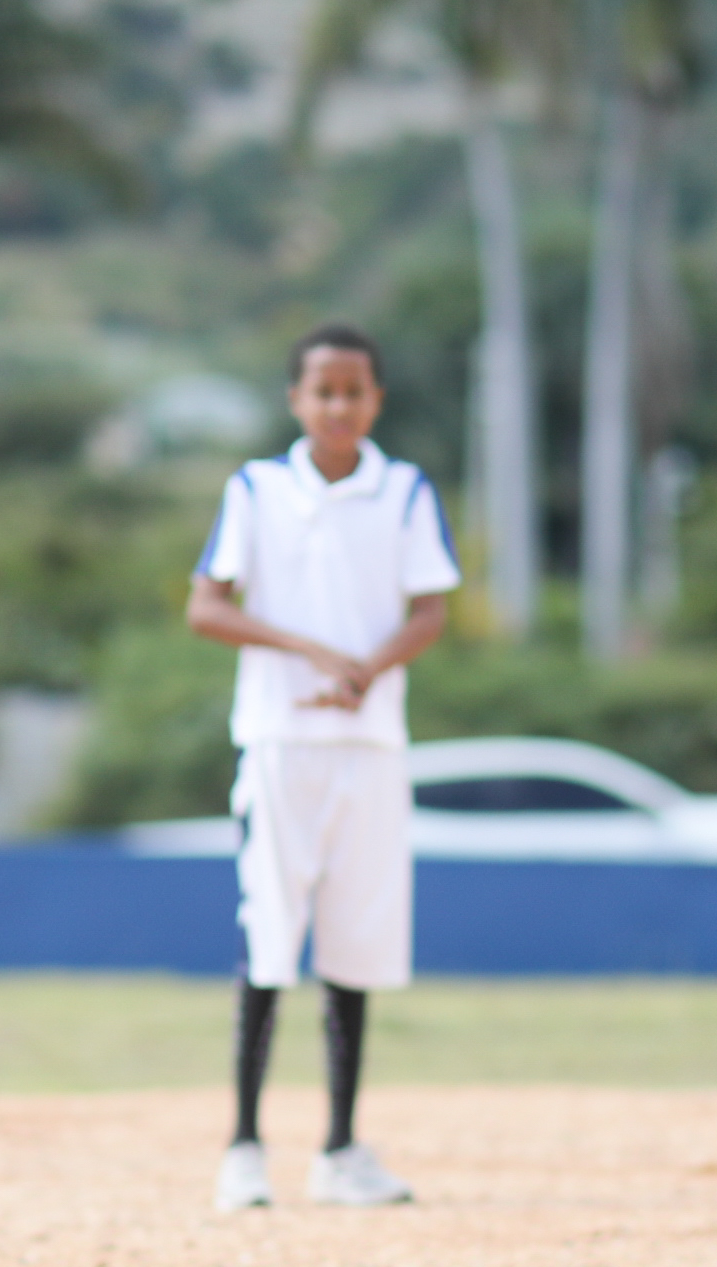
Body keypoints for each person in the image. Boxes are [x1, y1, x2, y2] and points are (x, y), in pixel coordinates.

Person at [186, 322, 461, 1210]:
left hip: (370, 747)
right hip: (278, 740)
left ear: (376, 400)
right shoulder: (257, 489)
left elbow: (430, 610)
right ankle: (244, 1147)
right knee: (269, 934)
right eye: (323, 391)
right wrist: (309, 650)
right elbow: (206, 607)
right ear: (296, 400)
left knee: (357, 943)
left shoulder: (404, 491)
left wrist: (366, 671)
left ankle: (340, 1148)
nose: (339, 406)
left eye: (354, 391)